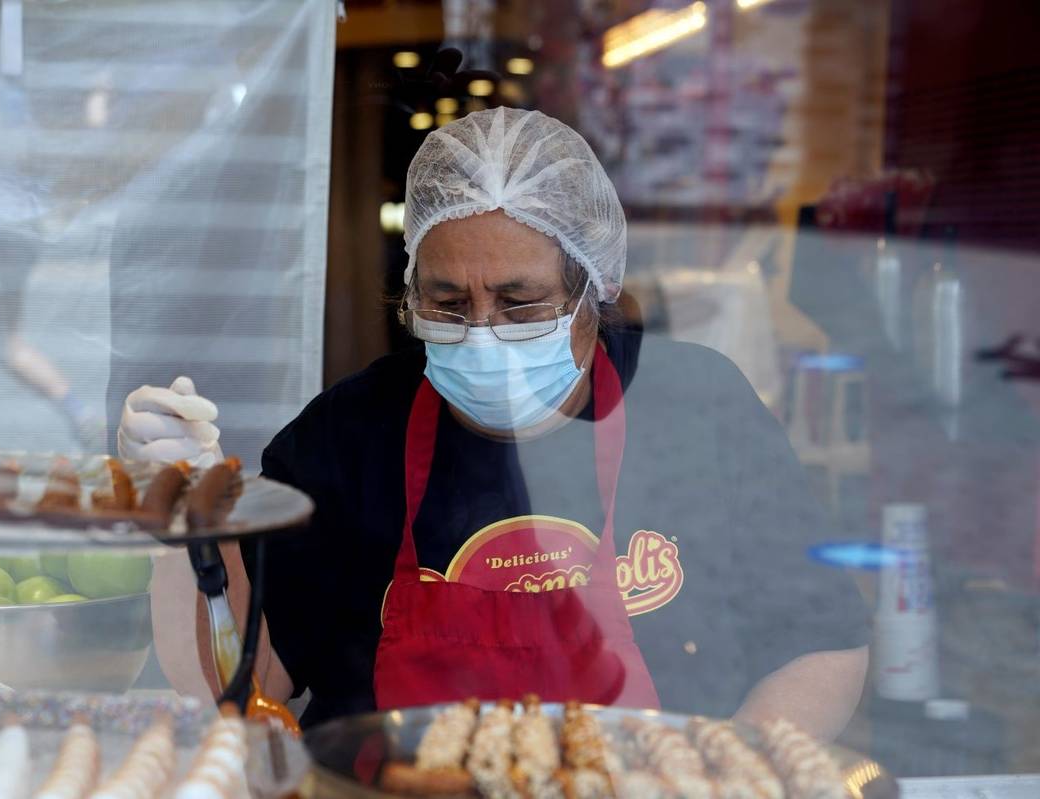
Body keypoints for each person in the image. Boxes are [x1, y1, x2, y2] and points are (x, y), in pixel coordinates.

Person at [119, 107, 869, 739]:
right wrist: (188, 522)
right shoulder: (348, 438)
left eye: (520, 303)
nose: (481, 331)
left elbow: (821, 646)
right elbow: (246, 683)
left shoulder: (697, 408)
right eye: (447, 303)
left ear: (592, 291)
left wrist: (718, 784)